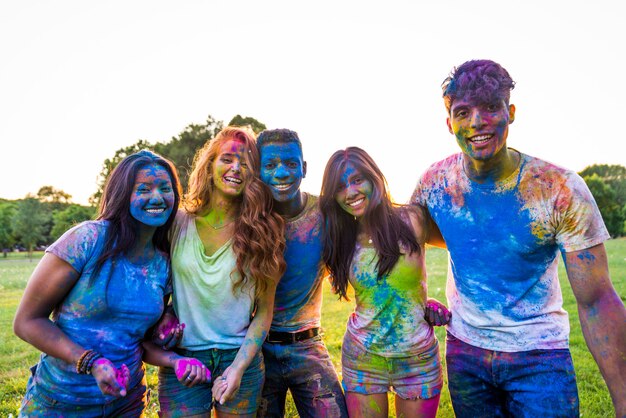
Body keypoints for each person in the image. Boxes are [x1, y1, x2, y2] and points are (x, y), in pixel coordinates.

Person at [412, 59, 626, 417]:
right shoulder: (435, 185)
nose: (477, 121)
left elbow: (598, 301)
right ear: (449, 123)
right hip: (465, 353)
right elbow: (406, 244)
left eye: (491, 107)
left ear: (510, 112)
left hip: (540, 356)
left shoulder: (558, 189)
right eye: (463, 112)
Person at [14, 150, 208, 417]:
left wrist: (168, 337)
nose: (157, 197)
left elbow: (139, 340)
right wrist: (91, 361)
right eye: (144, 189)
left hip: (125, 403)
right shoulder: (87, 240)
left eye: (166, 188)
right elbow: (27, 322)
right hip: (59, 402)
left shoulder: (163, 264)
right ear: (123, 194)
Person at [157, 126, 286, 418]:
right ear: (210, 164)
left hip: (239, 357)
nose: (236, 168)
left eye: (246, 164)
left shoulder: (264, 230)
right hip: (184, 358)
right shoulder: (177, 223)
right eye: (227, 159)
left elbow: (264, 313)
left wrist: (237, 369)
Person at [320, 147, 448, 418]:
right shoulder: (339, 237)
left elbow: (463, 245)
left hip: (417, 359)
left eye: (357, 180)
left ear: (373, 178)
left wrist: (426, 301)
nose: (350, 192)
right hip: (364, 359)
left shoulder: (413, 219)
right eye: (340, 186)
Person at [255, 129, 348, 417]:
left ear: (304, 168)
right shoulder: (250, 219)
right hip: (257, 348)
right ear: (257, 171)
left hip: (307, 345)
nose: (282, 173)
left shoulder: (326, 213)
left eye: (291, 164)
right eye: (270, 165)